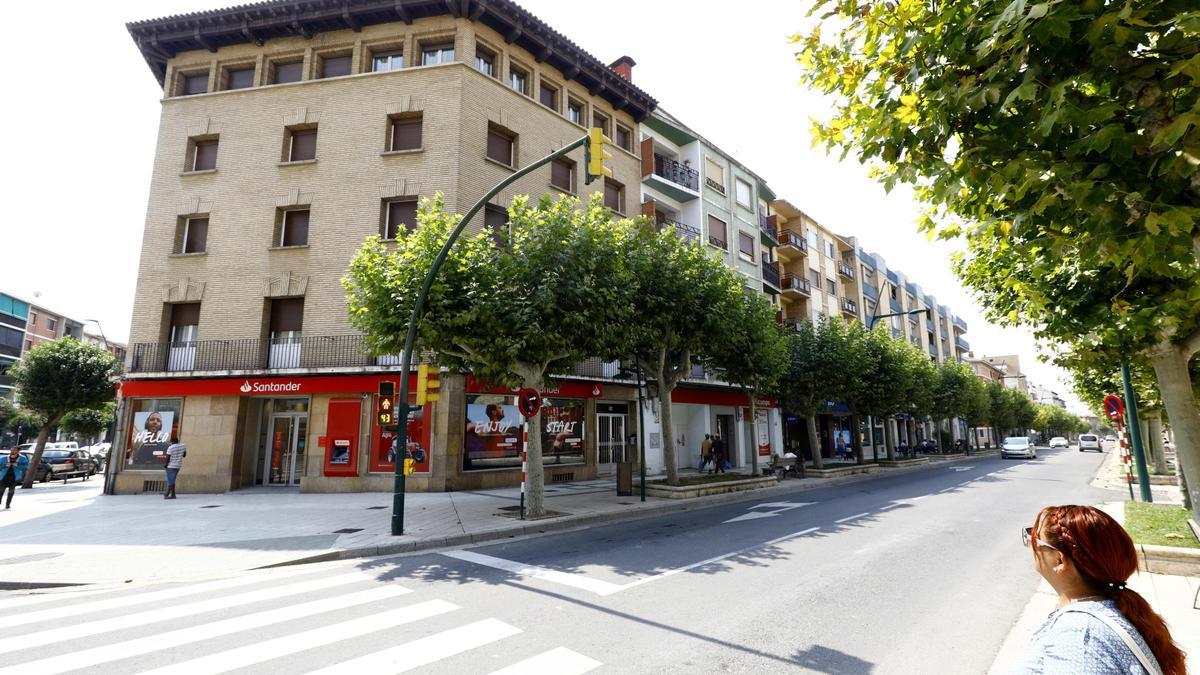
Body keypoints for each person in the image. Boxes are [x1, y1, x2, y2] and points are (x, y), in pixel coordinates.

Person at [1016, 505, 1185, 675]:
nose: (1031, 546)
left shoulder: (1079, 639)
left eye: (1035, 539)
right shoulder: (1111, 607)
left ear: (1059, 560)